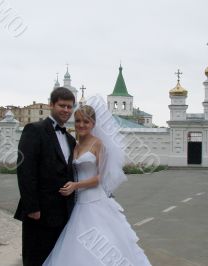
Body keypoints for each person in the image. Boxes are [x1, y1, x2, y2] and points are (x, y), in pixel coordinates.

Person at [43, 96, 152, 266]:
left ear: (93, 123)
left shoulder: (98, 144)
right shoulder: (76, 145)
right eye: (78, 121)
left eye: (86, 122)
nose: (81, 125)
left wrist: (76, 185)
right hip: (79, 203)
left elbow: (101, 177)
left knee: (103, 244)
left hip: (95, 201)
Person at [14, 87, 77, 266]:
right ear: (51, 105)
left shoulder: (71, 140)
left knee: (57, 259)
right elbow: (25, 170)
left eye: (69, 107)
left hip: (63, 213)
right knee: (36, 258)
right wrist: (32, 207)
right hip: (39, 213)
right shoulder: (34, 130)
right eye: (62, 105)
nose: (66, 110)